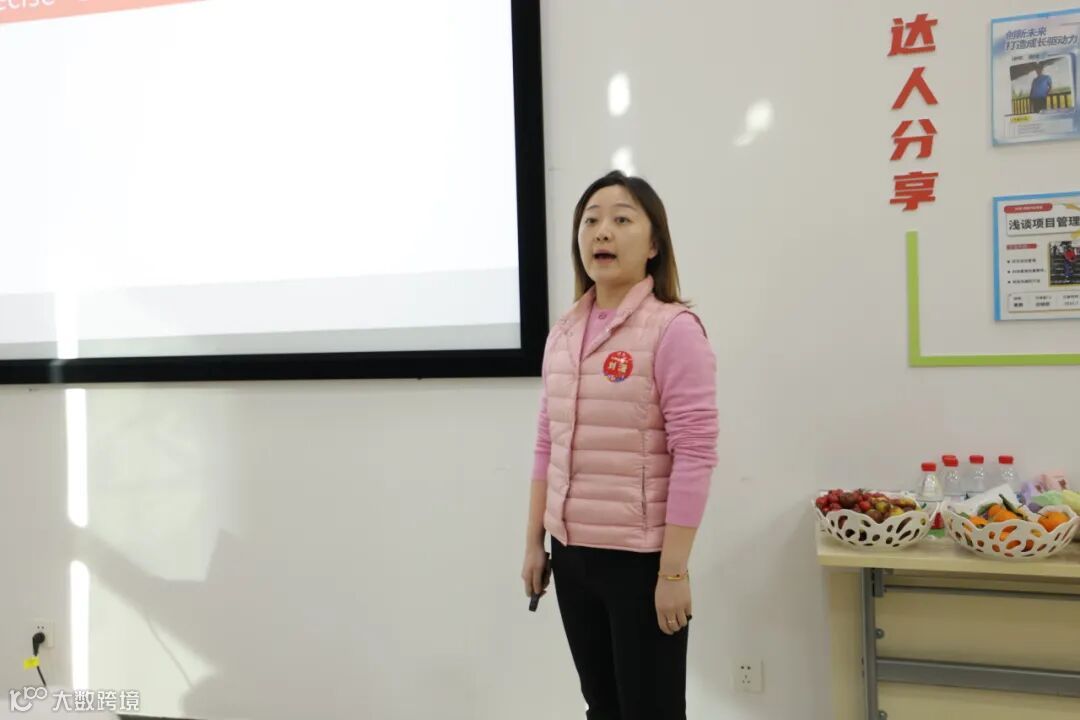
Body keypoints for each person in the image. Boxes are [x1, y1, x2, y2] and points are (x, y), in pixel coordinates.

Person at [521, 170, 718, 719]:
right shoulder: (563, 333)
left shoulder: (673, 329)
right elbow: (546, 443)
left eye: (622, 219)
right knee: (601, 708)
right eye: (590, 220)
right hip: (571, 556)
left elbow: (695, 453)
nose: (601, 231)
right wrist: (534, 541)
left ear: (654, 245)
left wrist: (673, 571)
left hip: (640, 562)